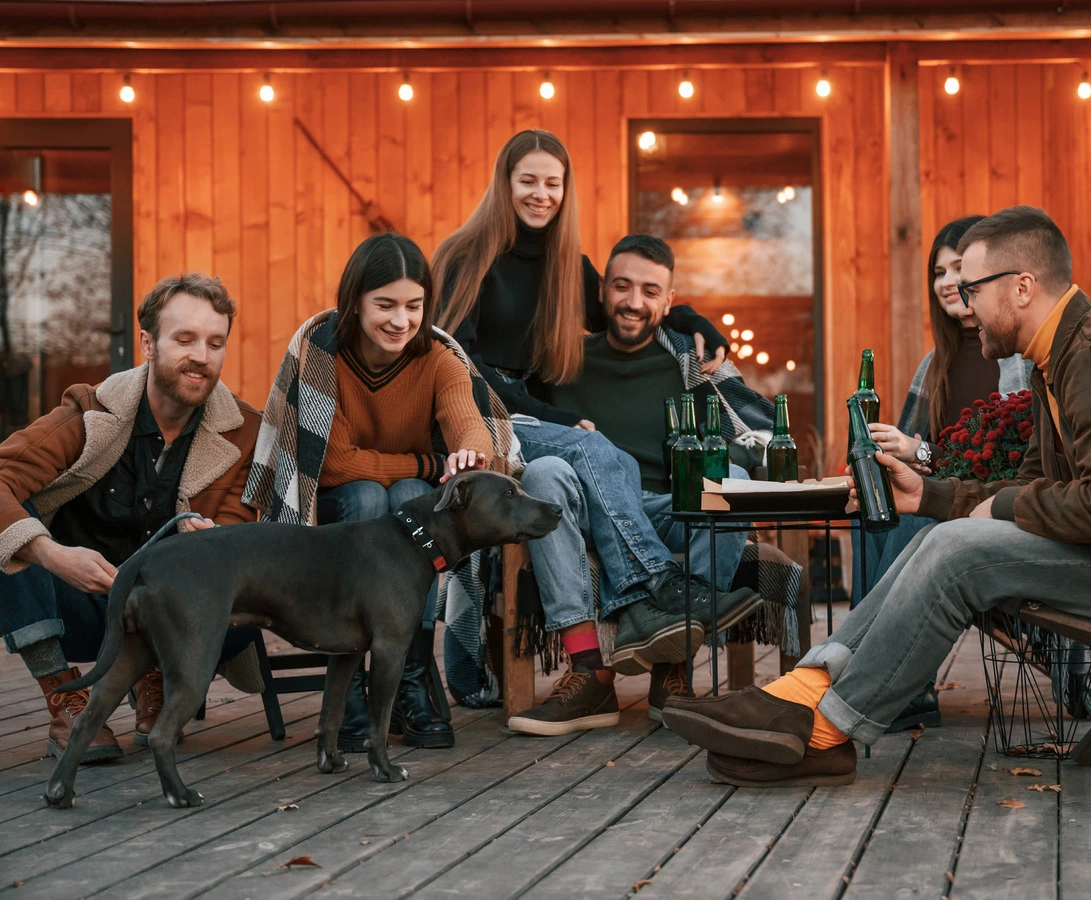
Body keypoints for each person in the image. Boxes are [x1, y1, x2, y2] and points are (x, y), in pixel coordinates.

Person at [662, 206, 1091, 788]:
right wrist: (934, 493)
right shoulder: (1058, 360)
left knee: (959, 554)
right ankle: (802, 693)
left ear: (1022, 287)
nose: (964, 304)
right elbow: (1031, 483)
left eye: (973, 288)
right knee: (947, 538)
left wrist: (996, 508)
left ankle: (822, 729)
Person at [433, 132, 754, 688]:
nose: (540, 194)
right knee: (594, 446)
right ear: (504, 183)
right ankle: (657, 590)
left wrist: (695, 319)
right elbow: (459, 363)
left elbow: (626, 307)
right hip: (477, 413)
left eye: (552, 183)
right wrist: (551, 416)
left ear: (565, 189)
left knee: (625, 460)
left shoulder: (566, 264)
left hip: (534, 417)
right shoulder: (467, 255)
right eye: (527, 180)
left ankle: (665, 646)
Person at [507, 234, 773, 736]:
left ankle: (672, 666)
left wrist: (712, 453)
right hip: (584, 514)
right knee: (543, 473)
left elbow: (743, 440)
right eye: (622, 287)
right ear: (602, 291)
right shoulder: (560, 359)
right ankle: (591, 673)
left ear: (669, 302)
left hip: (668, 510)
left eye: (650, 291)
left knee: (734, 479)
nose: (633, 302)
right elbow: (519, 424)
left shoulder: (689, 365)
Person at [243, 233, 494, 753]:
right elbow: (336, 462)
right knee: (369, 497)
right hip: (340, 514)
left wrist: (470, 453)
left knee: (404, 496)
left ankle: (408, 678)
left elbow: (468, 423)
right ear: (356, 300)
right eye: (385, 304)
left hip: (406, 517)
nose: (401, 320)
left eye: (414, 305)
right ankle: (352, 681)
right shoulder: (323, 353)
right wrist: (429, 462)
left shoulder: (438, 357)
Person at [0, 273, 263, 762]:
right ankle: (66, 701)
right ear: (147, 342)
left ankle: (152, 675)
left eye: (214, 342)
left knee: (244, 602)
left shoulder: (245, 432)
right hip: (81, 607)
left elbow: (241, 532)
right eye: (184, 339)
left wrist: (210, 544)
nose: (201, 357)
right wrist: (53, 555)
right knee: (10, 529)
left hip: (169, 615)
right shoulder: (90, 411)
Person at [853, 215, 1033, 733]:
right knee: (876, 506)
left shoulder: (1018, 358)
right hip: (943, 503)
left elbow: (1015, 463)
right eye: (939, 271)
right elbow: (911, 462)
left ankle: (895, 680)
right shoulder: (935, 363)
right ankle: (889, 676)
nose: (949, 281)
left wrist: (921, 453)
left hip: (994, 511)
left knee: (912, 517)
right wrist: (883, 464)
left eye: (960, 268)